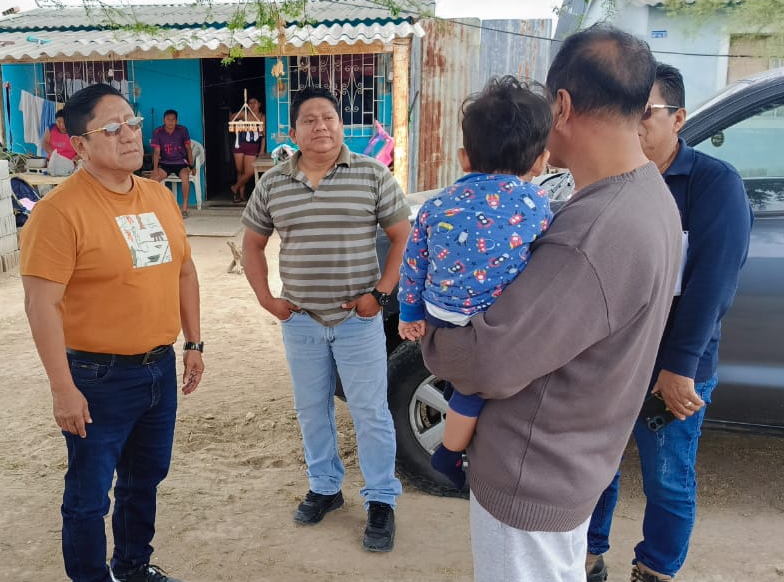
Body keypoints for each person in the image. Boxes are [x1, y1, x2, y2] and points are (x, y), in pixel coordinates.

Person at [420, 26, 683, 582]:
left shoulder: (594, 230)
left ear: (562, 105)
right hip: (577, 459)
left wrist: (432, 338)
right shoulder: (647, 196)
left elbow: (487, 362)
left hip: (531, 471)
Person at [20, 83, 204, 582]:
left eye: (132, 122)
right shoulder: (59, 212)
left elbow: (184, 271)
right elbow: (41, 304)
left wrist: (194, 342)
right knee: (89, 495)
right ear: (79, 144)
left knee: (145, 478)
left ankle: (131, 568)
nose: (130, 135)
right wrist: (62, 388)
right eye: (112, 128)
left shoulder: (158, 196)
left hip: (157, 368)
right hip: (96, 377)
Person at [586, 62, 753, 582]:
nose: (632, 126)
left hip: (670, 369)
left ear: (678, 119)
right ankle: (589, 551)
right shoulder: (609, 180)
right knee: (596, 464)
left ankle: (654, 577)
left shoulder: (712, 184)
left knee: (668, 478)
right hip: (610, 360)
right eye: (623, 112)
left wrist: (680, 367)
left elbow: (712, 284)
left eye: (646, 113)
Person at [241, 86, 411, 552]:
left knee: (370, 411)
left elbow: (402, 236)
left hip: (358, 320)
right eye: (309, 120)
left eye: (329, 118)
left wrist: (380, 294)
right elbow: (253, 243)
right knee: (312, 409)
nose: (321, 126)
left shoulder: (372, 174)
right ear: (293, 131)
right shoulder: (273, 183)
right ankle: (325, 487)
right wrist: (266, 299)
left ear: (341, 125)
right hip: (301, 320)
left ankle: (381, 499)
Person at [397, 76, 552, 464]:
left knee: (461, 382)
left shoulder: (436, 205)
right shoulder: (537, 204)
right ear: (540, 161)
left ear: (464, 158)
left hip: (441, 315)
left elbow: (413, 263)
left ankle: (452, 441)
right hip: (495, 323)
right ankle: (449, 454)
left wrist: (410, 313)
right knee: (474, 390)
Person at [148, 108, 195, 217]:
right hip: (165, 163)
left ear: (176, 121)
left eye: (173, 120)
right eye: (168, 120)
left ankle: (184, 209)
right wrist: (155, 169)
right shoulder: (158, 132)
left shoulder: (183, 130)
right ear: (164, 120)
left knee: (185, 177)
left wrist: (192, 166)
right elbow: (156, 152)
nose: (170, 122)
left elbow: (188, 149)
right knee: (153, 180)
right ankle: (153, 208)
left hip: (181, 163)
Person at [230, 96, 266, 202]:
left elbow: (263, 136)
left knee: (249, 172)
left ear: (259, 104)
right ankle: (241, 195)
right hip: (239, 145)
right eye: (250, 103)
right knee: (240, 171)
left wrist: (262, 150)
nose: (252, 104)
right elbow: (231, 118)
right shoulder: (244, 114)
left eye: (255, 102)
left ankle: (235, 187)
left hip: (252, 147)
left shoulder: (262, 117)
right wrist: (240, 114)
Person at [45, 109, 77, 177]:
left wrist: (75, 159)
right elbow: (45, 142)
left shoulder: (75, 131)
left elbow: (82, 149)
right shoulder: (51, 128)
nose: (61, 125)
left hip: (70, 166)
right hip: (52, 165)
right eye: (58, 121)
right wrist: (52, 153)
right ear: (55, 121)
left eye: (64, 122)